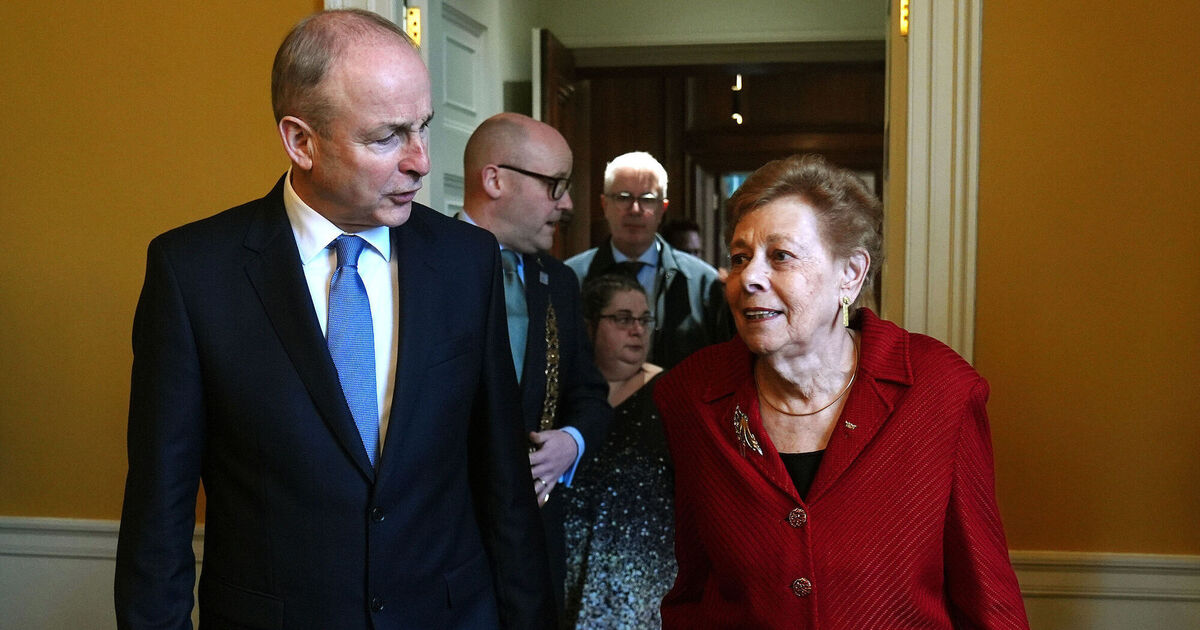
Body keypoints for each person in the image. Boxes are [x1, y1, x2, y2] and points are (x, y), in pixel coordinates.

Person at [115, 10, 554, 629]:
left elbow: (504, 484)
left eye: (423, 128)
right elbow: (158, 514)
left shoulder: (467, 260)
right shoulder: (194, 274)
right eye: (387, 137)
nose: (422, 162)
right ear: (302, 142)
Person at [654, 154, 1029, 628]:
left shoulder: (939, 390)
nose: (748, 277)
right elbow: (693, 590)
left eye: (780, 256)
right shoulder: (692, 395)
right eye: (740, 257)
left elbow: (988, 597)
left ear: (850, 273)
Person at [460, 112, 612, 611]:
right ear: (495, 180)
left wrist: (572, 442)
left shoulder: (559, 282)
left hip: (534, 547)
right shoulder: (417, 264)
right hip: (445, 545)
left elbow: (589, 394)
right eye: (555, 185)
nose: (566, 204)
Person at [561, 272, 675, 629]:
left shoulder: (671, 392)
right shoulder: (563, 393)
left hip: (641, 582)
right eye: (623, 319)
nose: (637, 330)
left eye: (644, 320)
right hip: (565, 572)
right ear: (589, 326)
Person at [564, 151, 730, 369]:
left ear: (662, 209)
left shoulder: (703, 282)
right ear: (605, 205)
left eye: (647, 199)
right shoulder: (570, 278)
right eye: (623, 197)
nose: (635, 210)